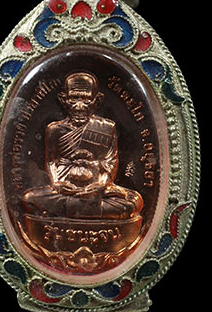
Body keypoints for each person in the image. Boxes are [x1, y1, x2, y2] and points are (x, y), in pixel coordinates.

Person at [22, 71, 143, 220]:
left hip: (97, 190)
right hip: (66, 190)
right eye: (73, 99)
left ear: (97, 100)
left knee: (134, 202)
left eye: (86, 99)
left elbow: (110, 162)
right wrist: (58, 183)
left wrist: (102, 185)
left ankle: (63, 212)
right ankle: (91, 212)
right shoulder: (55, 129)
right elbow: (52, 161)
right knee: (29, 199)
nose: (79, 107)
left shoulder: (107, 127)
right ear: (63, 99)